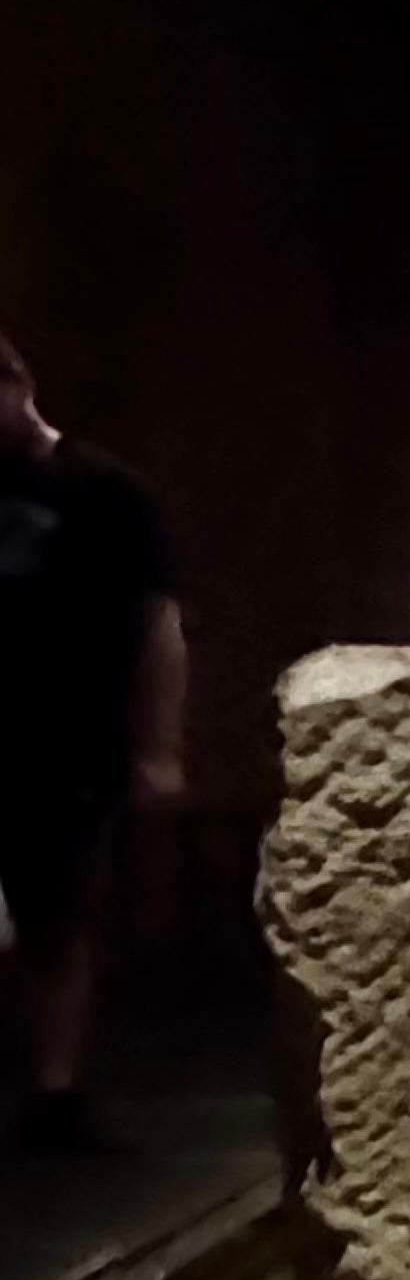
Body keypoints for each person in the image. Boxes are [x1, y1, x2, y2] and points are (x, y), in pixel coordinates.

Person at [0, 333, 186, 1152]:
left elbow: (157, 625)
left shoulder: (105, 493)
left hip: (67, 732)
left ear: (18, 384)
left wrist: (159, 746)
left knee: (57, 911)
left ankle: (55, 1086)